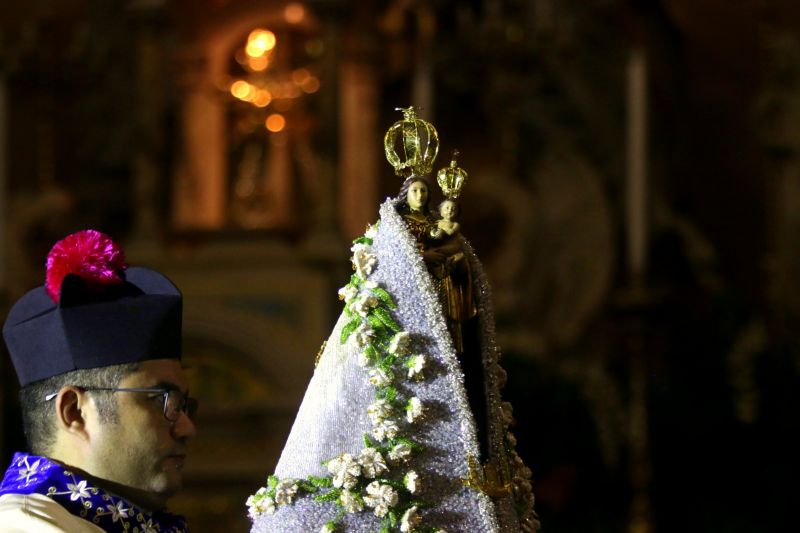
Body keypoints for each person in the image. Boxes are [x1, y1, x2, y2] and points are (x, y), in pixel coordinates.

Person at [246, 109, 538, 533]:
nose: (420, 197)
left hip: (449, 320)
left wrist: (449, 259)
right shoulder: (393, 243)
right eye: (416, 191)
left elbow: (455, 268)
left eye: (424, 191)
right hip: (409, 338)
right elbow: (399, 285)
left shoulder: (439, 234)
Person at [0, 229, 196, 533]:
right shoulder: (25, 525)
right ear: (75, 411)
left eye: (185, 405)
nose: (187, 427)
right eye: (163, 400)